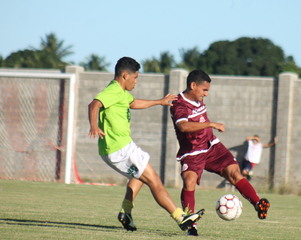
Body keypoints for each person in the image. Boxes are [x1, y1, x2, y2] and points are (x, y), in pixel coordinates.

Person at [88, 57, 204, 232]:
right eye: (135, 78)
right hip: (120, 148)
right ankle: (181, 218)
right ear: (125, 75)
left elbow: (133, 103)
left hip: (116, 148)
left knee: (139, 177)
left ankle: (126, 211)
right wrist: (94, 126)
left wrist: (159, 101)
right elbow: (94, 104)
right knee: (154, 180)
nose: (136, 81)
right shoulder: (113, 90)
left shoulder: (121, 93)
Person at [170, 69, 270, 236]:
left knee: (234, 172)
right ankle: (190, 223)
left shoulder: (197, 98)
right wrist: (211, 124)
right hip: (193, 151)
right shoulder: (178, 104)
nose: (206, 94)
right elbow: (183, 126)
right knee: (189, 181)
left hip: (212, 146)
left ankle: (258, 203)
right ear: (193, 86)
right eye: (204, 90)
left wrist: (209, 128)